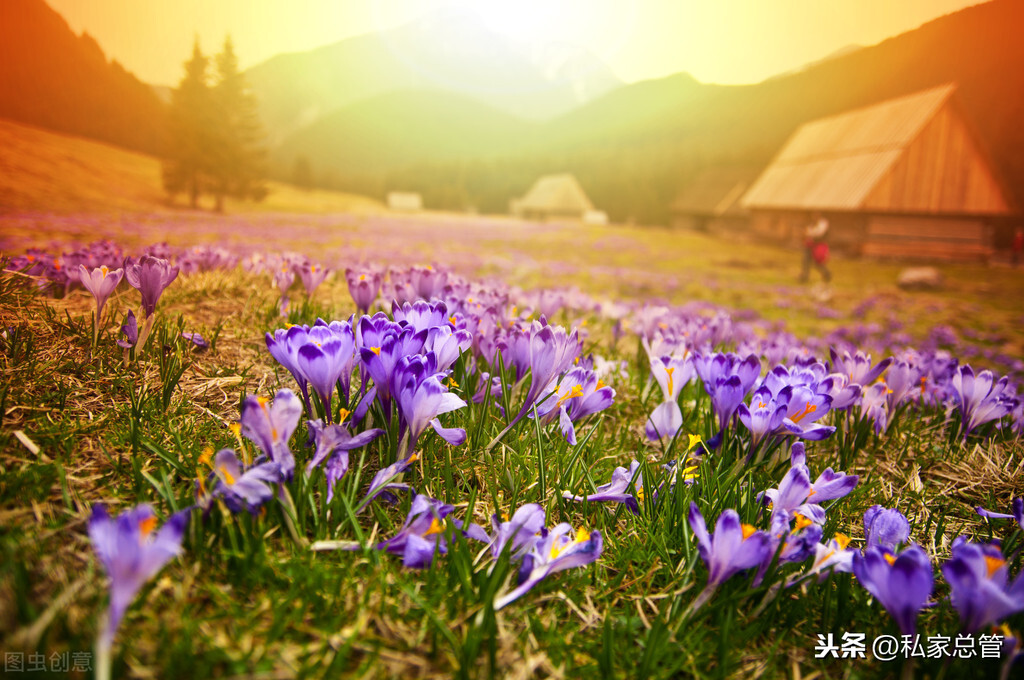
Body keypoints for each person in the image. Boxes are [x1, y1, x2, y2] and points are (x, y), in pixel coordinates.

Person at [799, 213, 831, 283]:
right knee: (805, 261)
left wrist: (809, 234)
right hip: (810, 245)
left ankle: (827, 274)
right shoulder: (812, 223)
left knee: (817, 263)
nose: (814, 216)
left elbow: (819, 234)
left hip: (818, 245)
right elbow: (808, 232)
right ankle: (804, 277)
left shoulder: (823, 223)